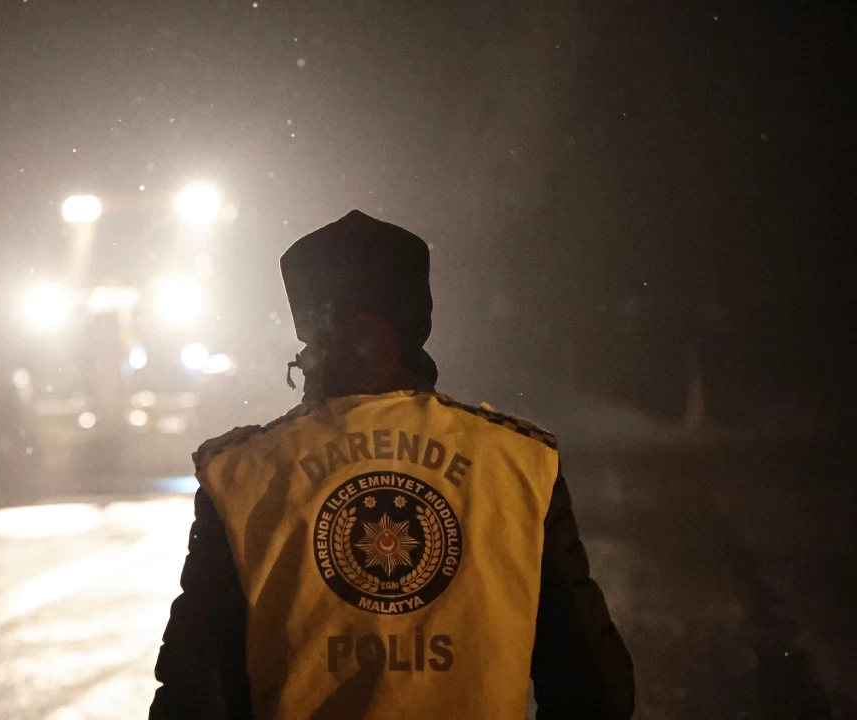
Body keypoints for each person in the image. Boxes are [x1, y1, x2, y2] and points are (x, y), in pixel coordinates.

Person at [149, 210, 634, 719]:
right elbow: (595, 692)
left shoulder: (243, 474)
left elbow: (194, 699)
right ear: (415, 323)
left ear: (317, 335)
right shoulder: (519, 463)